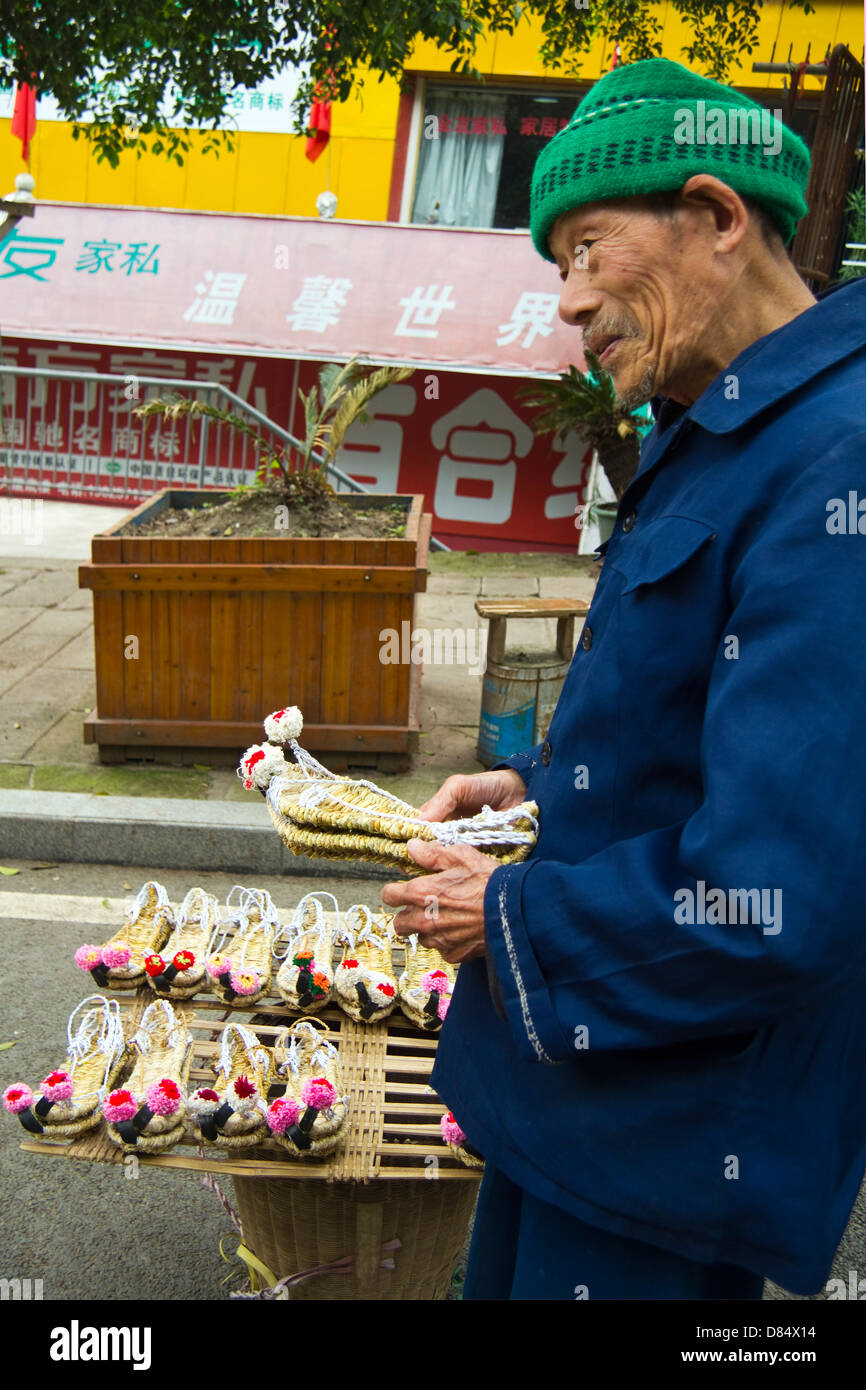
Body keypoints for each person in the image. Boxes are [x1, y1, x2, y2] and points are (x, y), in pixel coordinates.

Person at [381, 56, 866, 1301]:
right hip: (579, 1106)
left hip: (670, 1152)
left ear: (713, 215)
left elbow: (779, 888)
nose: (565, 303)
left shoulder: (836, 461)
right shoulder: (719, 429)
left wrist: (506, 914)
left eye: (586, 251)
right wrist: (529, 786)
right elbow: (690, 720)